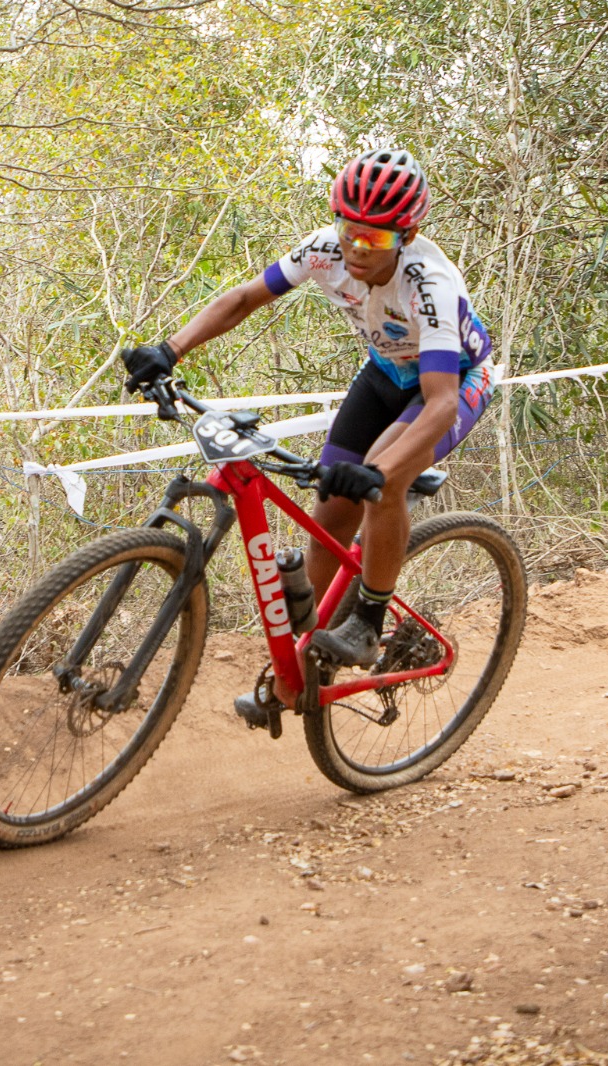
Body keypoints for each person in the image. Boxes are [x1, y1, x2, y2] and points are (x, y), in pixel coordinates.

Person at [119, 148, 495, 725]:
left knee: (381, 477)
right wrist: (170, 349)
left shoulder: (429, 285)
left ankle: (368, 619)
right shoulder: (325, 249)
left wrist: (380, 473)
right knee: (329, 515)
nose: (357, 248)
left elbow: (442, 403)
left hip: (451, 382)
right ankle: (300, 667)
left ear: (408, 235)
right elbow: (244, 298)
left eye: (375, 238)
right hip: (385, 372)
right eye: (349, 230)